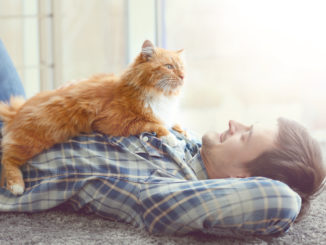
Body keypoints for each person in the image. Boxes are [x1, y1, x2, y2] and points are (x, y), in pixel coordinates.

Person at [0, 39, 325, 236]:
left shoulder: (166, 189)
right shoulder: (193, 146)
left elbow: (280, 201)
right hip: (24, 114)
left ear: (240, 180)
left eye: (245, 136)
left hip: (12, 157)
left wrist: (298, 194)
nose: (233, 122)